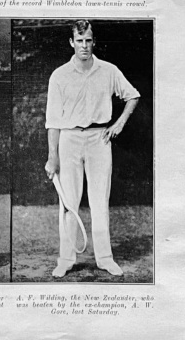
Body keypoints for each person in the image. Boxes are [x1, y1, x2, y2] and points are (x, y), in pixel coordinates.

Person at [44, 20, 140, 278]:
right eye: (79, 40)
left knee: (100, 202)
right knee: (68, 203)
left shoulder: (108, 70)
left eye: (88, 40)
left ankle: (105, 259)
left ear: (93, 42)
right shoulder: (59, 75)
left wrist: (118, 124)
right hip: (69, 139)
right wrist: (52, 157)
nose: (84, 45)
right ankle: (65, 259)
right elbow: (52, 121)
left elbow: (132, 95)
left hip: (100, 139)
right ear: (71, 42)